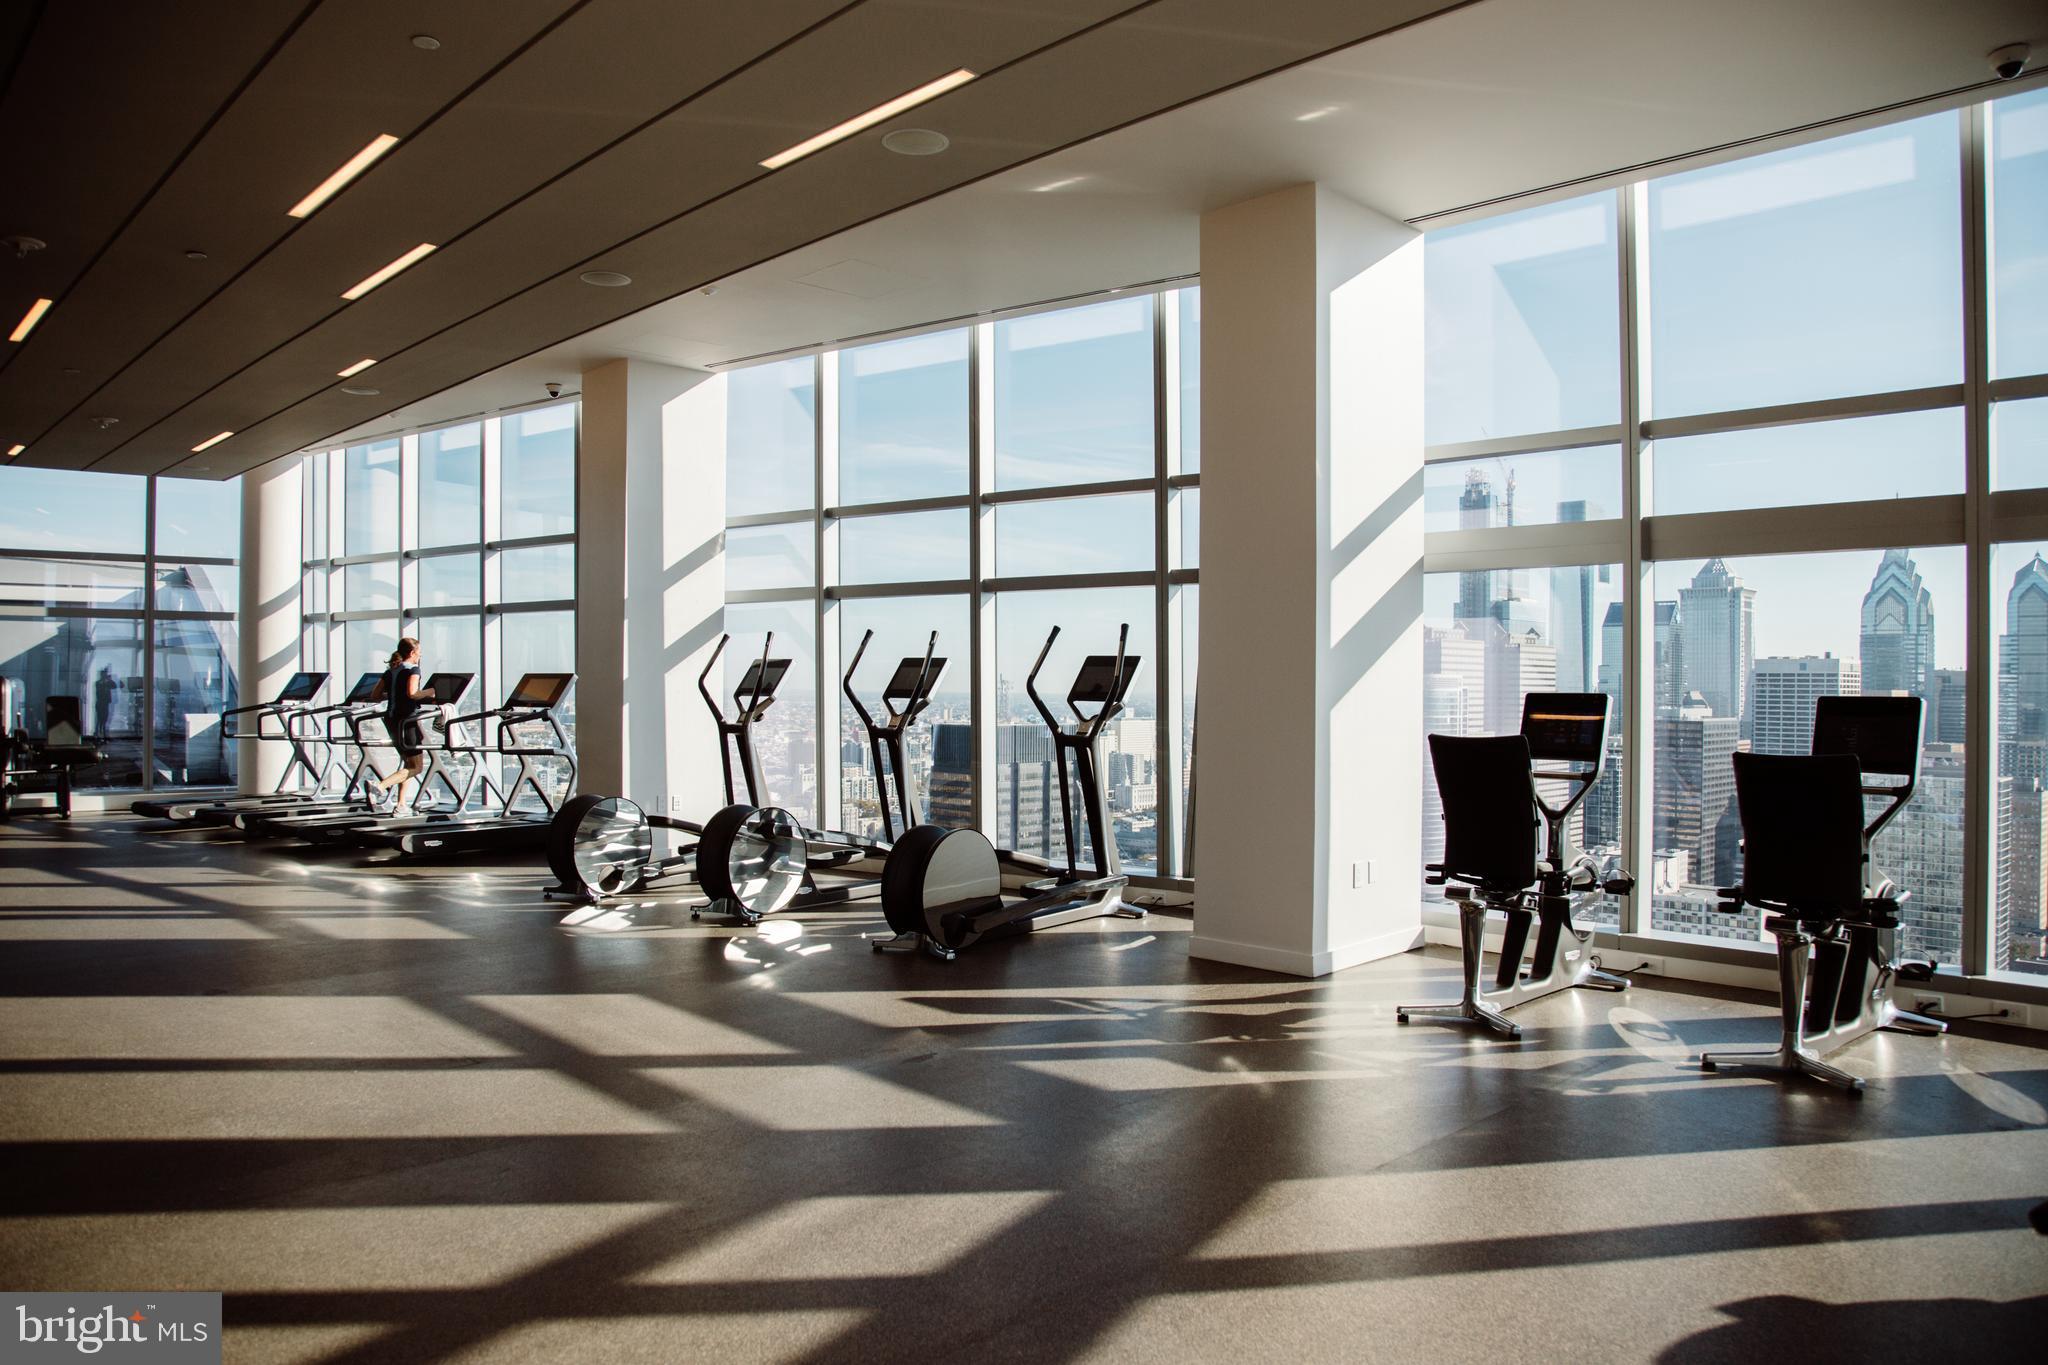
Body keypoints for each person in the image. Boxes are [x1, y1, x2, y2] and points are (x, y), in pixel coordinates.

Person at [368, 638, 426, 810]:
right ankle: (378, 787)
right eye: (419, 652)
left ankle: (401, 804)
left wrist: (395, 694)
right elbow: (413, 693)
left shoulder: (391, 670)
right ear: (412, 653)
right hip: (407, 721)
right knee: (417, 767)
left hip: (391, 720)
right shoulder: (413, 669)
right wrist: (432, 692)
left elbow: (375, 695)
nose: (420, 655)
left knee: (408, 764)